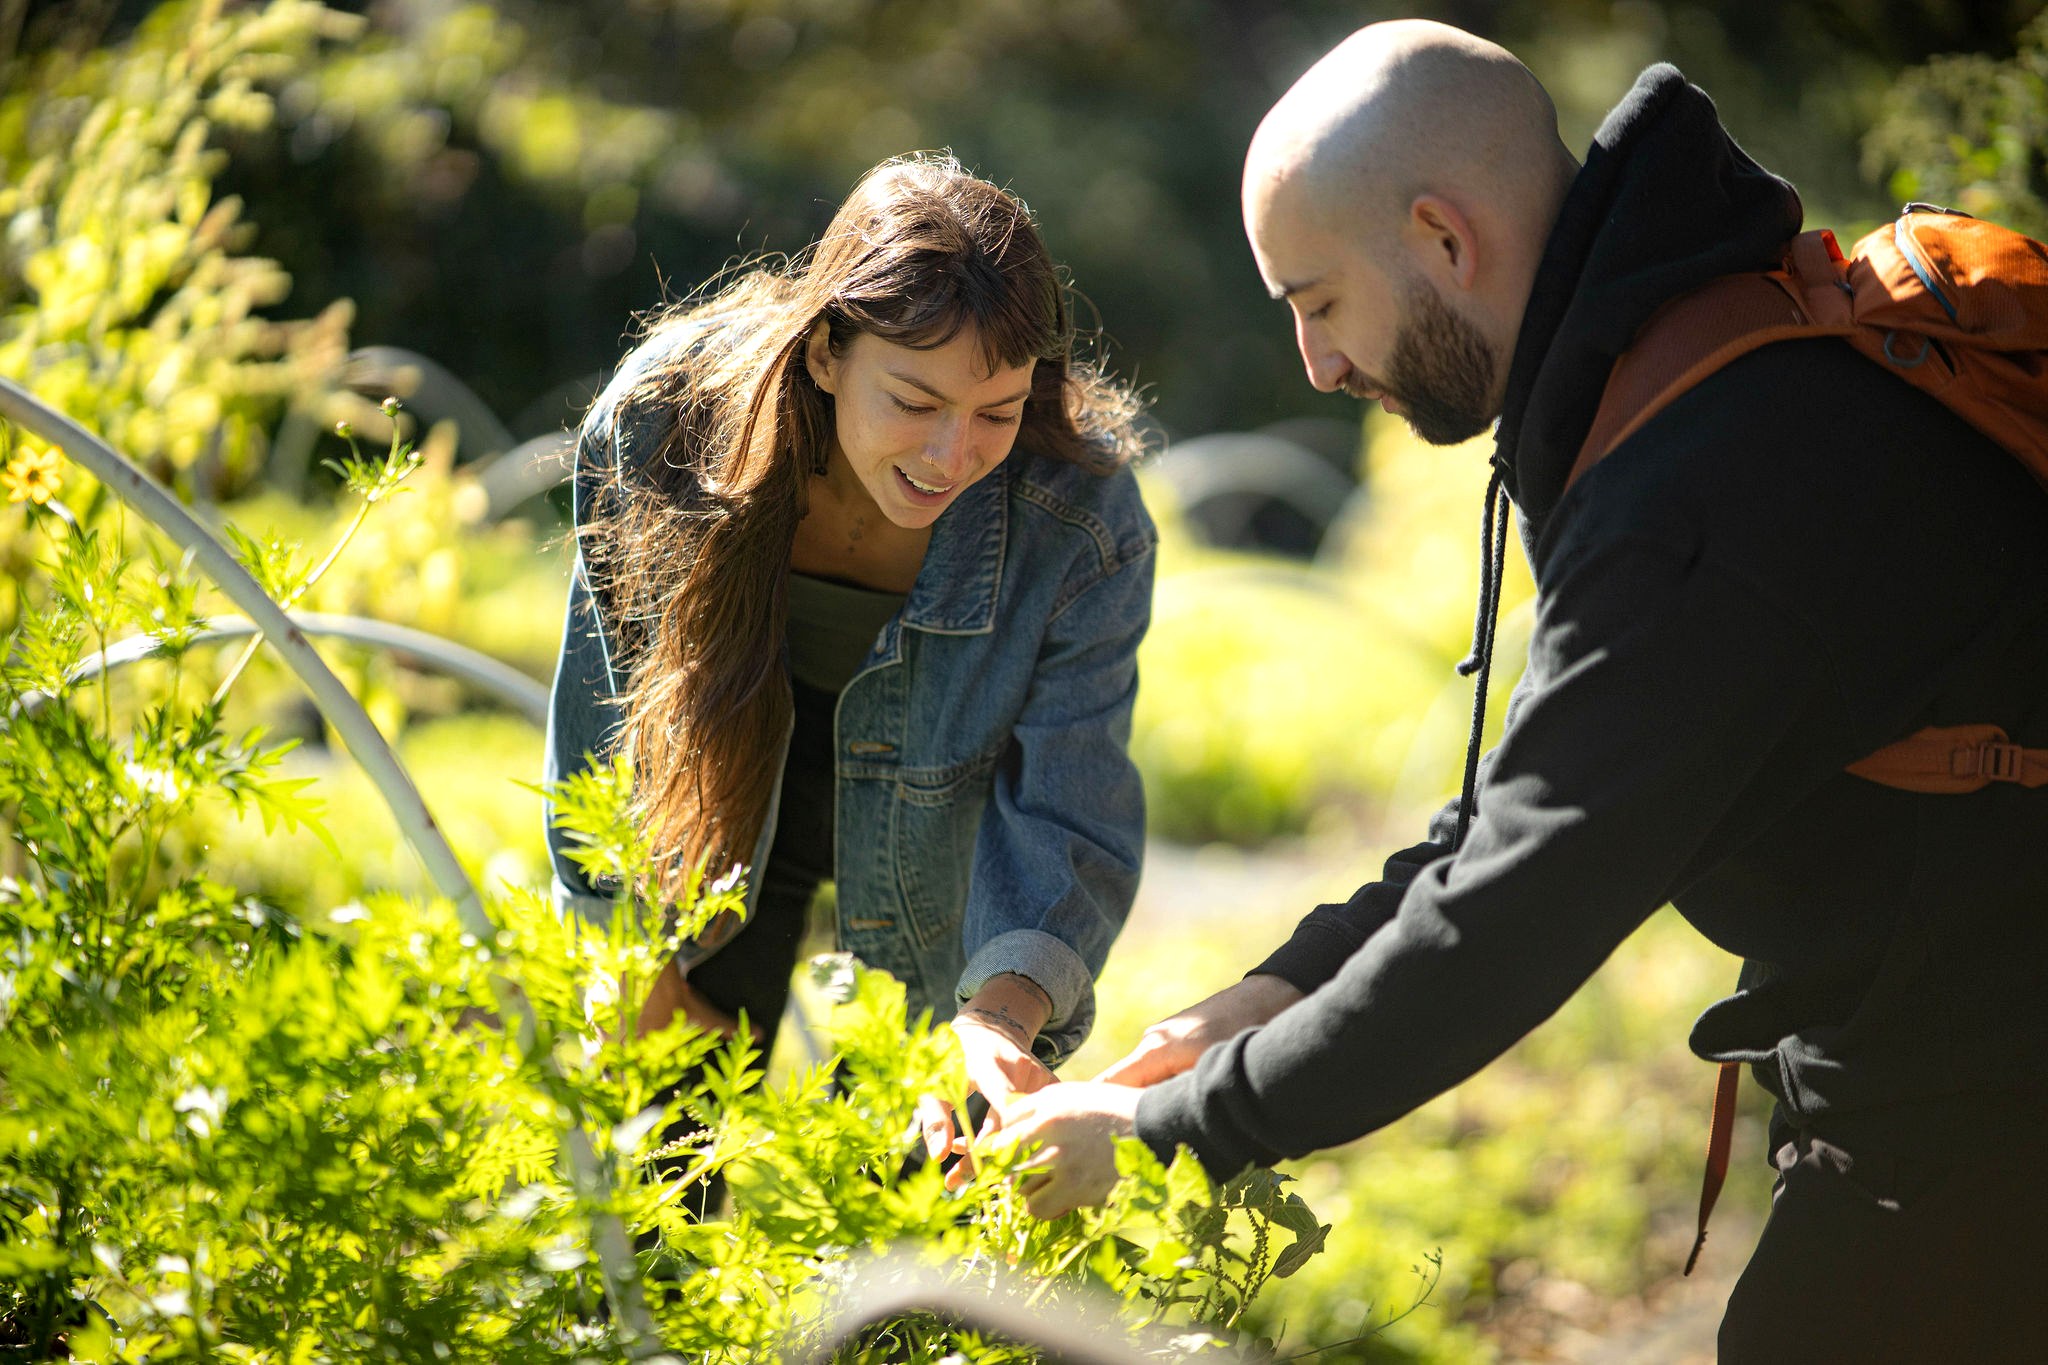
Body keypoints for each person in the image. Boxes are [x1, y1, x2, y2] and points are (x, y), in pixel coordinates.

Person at [999, 21, 2048, 1362]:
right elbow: (1515, 812)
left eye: (1316, 301)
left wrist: (1162, 1133)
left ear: (1443, 238)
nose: (1316, 365)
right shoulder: (1674, 369)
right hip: (1928, 1018)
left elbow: (1517, 912)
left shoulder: (1699, 476)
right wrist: (1266, 996)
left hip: (1988, 1057)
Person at [544, 152, 1156, 1164]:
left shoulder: (1079, 523)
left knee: (903, 1201)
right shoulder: (663, 425)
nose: (951, 455)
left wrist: (995, 1026)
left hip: (941, 851)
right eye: (914, 402)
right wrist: (626, 958)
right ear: (826, 349)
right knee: (655, 1176)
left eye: (996, 413)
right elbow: (602, 715)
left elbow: (1066, 809)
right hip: (715, 795)